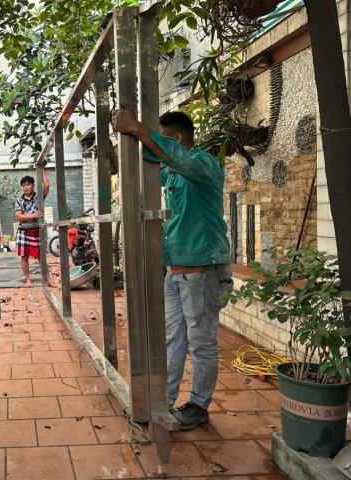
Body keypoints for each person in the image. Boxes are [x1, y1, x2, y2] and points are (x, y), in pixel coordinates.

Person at [111, 109, 232, 431]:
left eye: (164, 139)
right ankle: (163, 401)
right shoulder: (175, 174)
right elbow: (151, 166)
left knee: (201, 341)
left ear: (177, 138)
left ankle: (199, 405)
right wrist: (123, 145)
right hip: (176, 270)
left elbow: (173, 157)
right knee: (173, 338)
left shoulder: (204, 165)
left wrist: (138, 127)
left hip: (203, 269)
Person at [14, 170, 56, 288]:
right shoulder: (19, 201)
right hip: (23, 231)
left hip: (38, 231)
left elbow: (47, 185)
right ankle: (28, 280)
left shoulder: (39, 198)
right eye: (24, 185)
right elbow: (18, 216)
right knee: (24, 257)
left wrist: (41, 169)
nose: (26, 187)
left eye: (28, 184)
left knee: (41, 257)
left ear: (33, 185)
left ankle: (48, 280)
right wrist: (32, 215)